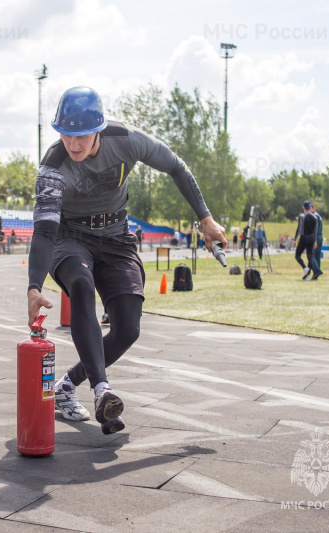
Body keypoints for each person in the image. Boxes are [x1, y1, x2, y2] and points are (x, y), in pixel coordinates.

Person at [27, 87, 226, 435]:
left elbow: (177, 168)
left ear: (99, 129)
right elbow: (44, 233)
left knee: (128, 329)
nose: (73, 144)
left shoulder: (128, 140)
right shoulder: (52, 166)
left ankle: (67, 386)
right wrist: (33, 285)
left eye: (82, 136)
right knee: (81, 285)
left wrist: (205, 218)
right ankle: (102, 389)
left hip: (117, 238)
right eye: (66, 135)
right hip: (71, 237)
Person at [294, 201, 317, 280]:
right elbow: (315, 231)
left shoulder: (301, 216)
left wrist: (295, 238)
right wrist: (315, 241)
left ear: (303, 207)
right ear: (310, 207)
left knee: (297, 256)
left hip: (304, 237)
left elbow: (299, 228)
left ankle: (305, 268)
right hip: (311, 238)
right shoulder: (314, 217)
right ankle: (308, 274)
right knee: (309, 256)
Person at [310, 203, 324, 279]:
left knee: (311, 254)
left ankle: (317, 270)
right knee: (317, 255)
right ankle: (316, 274)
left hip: (316, 236)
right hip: (320, 236)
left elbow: (314, 228)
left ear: (313, 208)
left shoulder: (314, 216)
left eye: (310, 208)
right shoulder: (318, 215)